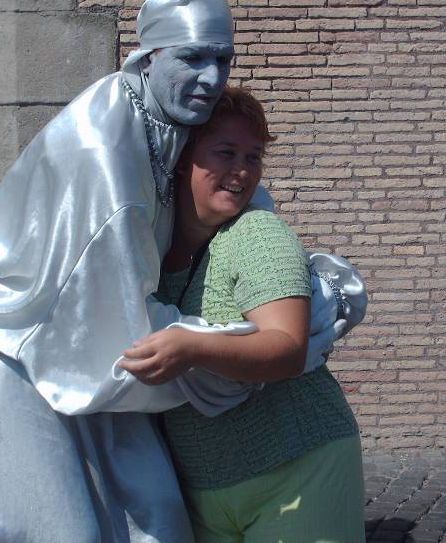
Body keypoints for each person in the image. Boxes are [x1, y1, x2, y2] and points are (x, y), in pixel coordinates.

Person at [0, 0, 354, 543]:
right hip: (10, 342)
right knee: (60, 525)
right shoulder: (105, 154)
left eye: (223, 60)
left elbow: (245, 207)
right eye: (192, 58)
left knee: (152, 509)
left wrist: (296, 300)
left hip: (91, 341)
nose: (211, 79)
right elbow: (124, 341)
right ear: (148, 57)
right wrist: (255, 350)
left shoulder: (175, 122)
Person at [120, 87, 365, 543]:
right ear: (183, 158)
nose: (242, 170)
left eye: (253, 157)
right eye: (226, 153)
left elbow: (286, 349)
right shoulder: (150, 252)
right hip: (203, 488)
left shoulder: (257, 235)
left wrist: (192, 348)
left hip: (298, 467)